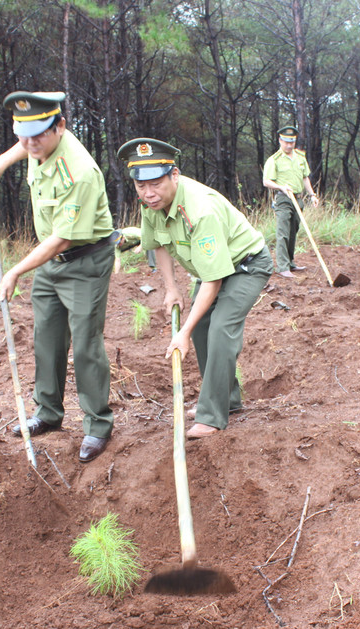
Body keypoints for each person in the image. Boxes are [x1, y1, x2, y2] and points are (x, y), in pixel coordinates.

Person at [0, 91, 116, 463]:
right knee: (46, 337)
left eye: (38, 134)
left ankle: (98, 425)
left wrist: (15, 271)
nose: (30, 143)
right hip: (50, 261)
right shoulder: (35, 145)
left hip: (84, 260)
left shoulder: (79, 172)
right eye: (23, 135)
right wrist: (0, 162)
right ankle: (48, 412)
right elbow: (26, 146)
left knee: (85, 344)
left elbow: (62, 238)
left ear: (61, 127)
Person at [117, 138, 272, 439]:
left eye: (156, 184)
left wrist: (182, 332)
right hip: (209, 269)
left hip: (246, 266)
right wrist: (171, 289)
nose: (148, 193)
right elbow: (158, 243)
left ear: (174, 175)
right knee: (202, 328)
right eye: (140, 185)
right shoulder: (152, 203)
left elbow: (214, 280)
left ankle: (212, 415)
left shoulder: (200, 209)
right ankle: (227, 399)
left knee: (221, 329)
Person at [262, 125, 318, 278]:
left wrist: (312, 195)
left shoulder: (300, 157)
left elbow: (305, 178)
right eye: (286, 142)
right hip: (283, 199)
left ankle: (290, 263)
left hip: (298, 199)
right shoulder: (274, 160)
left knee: (293, 232)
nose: (289, 145)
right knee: (283, 233)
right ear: (280, 141)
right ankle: (282, 267)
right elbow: (266, 181)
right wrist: (281, 187)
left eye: (292, 142)